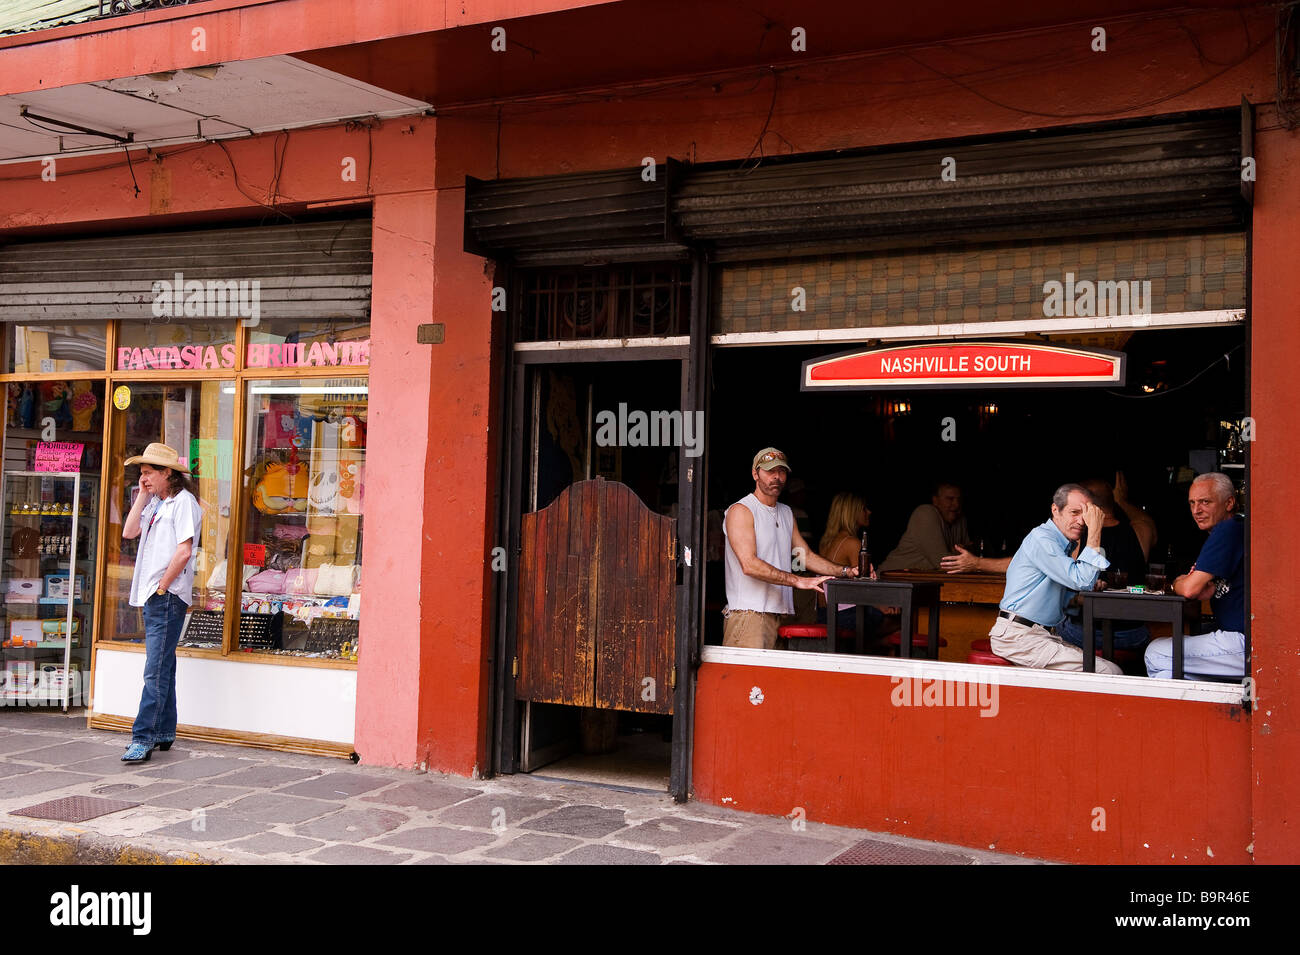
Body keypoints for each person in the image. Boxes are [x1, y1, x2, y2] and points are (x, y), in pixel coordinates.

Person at [722, 447, 858, 649]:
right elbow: (749, 564)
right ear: (755, 473)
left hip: (781, 615)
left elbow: (804, 556)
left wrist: (846, 571)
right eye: (770, 471)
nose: (777, 477)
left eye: (782, 471)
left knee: (773, 681)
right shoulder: (742, 510)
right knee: (747, 681)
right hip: (749, 615)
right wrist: (797, 581)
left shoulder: (786, 512)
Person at [120, 443, 203, 762]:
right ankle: (165, 730)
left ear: (168, 473)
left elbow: (184, 550)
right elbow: (129, 532)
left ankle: (144, 736)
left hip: (165, 595)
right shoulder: (156, 503)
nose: (144, 478)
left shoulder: (184, 503)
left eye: (148, 473)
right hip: (154, 595)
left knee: (154, 669)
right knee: (163, 665)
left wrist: (163, 587)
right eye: (141, 473)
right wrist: (142, 495)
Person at [987, 484, 1123, 674]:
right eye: (1074, 512)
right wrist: (1096, 530)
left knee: (1107, 666)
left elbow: (1069, 597)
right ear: (1055, 510)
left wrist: (1084, 592)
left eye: (1086, 514)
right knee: (1109, 672)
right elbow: (1081, 581)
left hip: (1039, 635)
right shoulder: (1043, 539)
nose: (1082, 521)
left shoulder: (1062, 543)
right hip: (1018, 638)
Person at [1144, 473, 1245, 680]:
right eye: (1192, 503)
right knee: (1167, 674)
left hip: (1244, 642)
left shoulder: (1228, 529)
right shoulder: (1231, 530)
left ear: (1229, 503)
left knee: (1155, 652)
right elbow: (1202, 589)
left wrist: (1177, 583)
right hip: (1238, 641)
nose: (1197, 510)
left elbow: (1190, 589)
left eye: (1205, 502)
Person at [1057, 475, 1152, 651]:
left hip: (1086, 635)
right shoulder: (1141, 530)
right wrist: (1120, 500)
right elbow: (1146, 520)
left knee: (1057, 620)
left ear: (1086, 506)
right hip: (1133, 634)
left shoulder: (1076, 537)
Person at [880, 482, 971, 572]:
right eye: (950, 499)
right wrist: (958, 555)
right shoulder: (925, 513)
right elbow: (942, 563)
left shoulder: (960, 519)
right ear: (935, 501)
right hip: (888, 581)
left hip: (920, 581)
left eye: (959, 500)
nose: (956, 504)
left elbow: (969, 553)